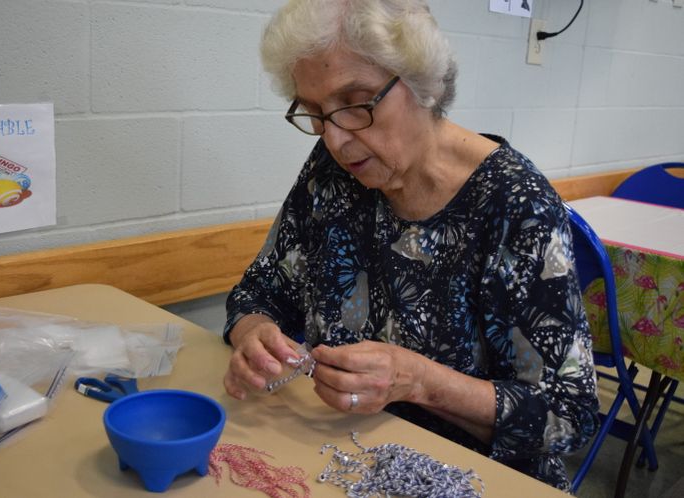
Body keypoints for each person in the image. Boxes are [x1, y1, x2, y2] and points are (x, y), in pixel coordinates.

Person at [222, 0, 599, 490]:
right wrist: (254, 333)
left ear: (423, 82)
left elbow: (568, 416)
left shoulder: (514, 202)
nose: (335, 140)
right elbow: (258, 292)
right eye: (314, 112)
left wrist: (421, 381)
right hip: (336, 456)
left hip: (471, 478)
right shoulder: (332, 172)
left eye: (355, 102)